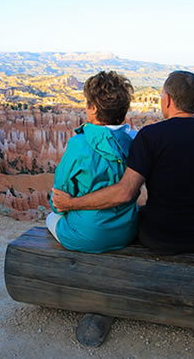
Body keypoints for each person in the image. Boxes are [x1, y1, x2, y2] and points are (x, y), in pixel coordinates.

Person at [52, 70, 194, 255]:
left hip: (162, 237)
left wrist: (71, 204)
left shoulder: (151, 136)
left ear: (167, 100)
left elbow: (125, 192)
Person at [46, 70, 139, 253]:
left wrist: (65, 207)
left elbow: (59, 197)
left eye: (88, 104)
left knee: (51, 218)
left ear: (94, 108)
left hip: (89, 236)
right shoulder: (136, 140)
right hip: (127, 232)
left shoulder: (79, 144)